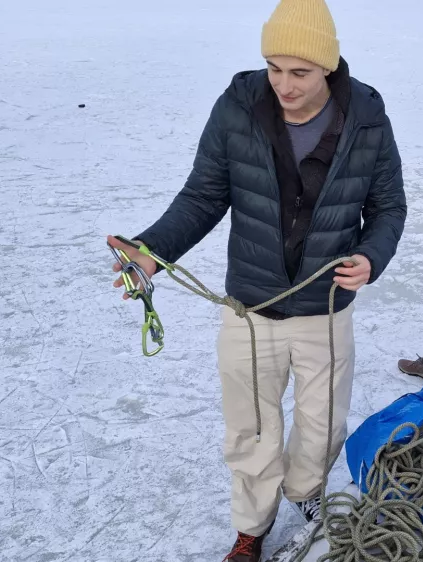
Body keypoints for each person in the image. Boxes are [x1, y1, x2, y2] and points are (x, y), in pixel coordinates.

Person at [107, 0, 406, 560]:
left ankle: (306, 491)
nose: (284, 85)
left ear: (329, 67)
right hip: (250, 307)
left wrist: (371, 256)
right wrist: (151, 252)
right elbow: (202, 196)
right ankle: (252, 525)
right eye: (274, 68)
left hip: (327, 305)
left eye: (300, 72)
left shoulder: (366, 117)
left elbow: (389, 207)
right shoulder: (237, 109)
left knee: (321, 428)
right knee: (251, 430)